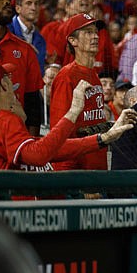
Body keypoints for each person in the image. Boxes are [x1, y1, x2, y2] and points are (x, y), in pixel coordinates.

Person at [0, 60, 136, 171]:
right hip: (15, 205)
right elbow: (38, 154)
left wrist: (102, 138)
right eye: (9, 79)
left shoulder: (3, 121)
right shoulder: (3, 119)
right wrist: (73, 112)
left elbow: (51, 148)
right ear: (4, 85)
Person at [49, 13, 108, 170]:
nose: (95, 36)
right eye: (88, 32)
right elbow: (59, 135)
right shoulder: (66, 76)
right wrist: (73, 179)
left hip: (97, 167)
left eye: (95, 32)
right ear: (72, 40)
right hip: (79, 175)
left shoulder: (94, 75)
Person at [0, 0, 43, 136]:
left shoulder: (25, 50)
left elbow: (33, 102)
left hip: (14, 138)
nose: (7, 2)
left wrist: (32, 142)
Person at [8, 0, 47, 75]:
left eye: (36, 4)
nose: (34, 8)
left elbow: (39, 71)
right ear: (18, 8)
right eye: (29, 3)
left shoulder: (41, 40)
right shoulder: (5, 31)